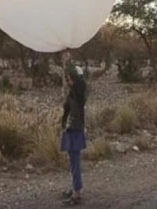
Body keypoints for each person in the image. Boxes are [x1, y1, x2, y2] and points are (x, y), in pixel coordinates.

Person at [59, 50, 87, 206]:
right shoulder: (72, 93)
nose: (68, 81)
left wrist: (68, 62)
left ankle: (77, 192)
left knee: (75, 161)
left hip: (76, 129)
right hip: (71, 128)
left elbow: (77, 80)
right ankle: (75, 187)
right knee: (72, 160)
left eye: (70, 79)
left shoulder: (79, 91)